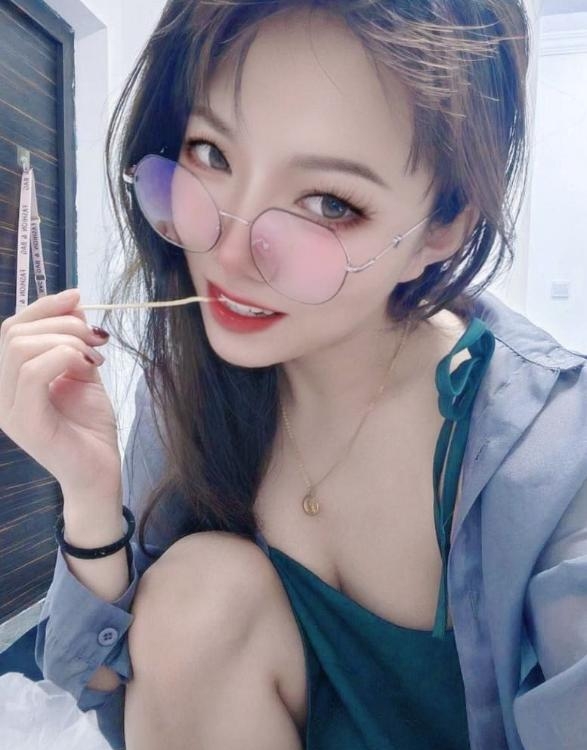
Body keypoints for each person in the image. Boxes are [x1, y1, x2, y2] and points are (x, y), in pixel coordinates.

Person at [0, 1, 585, 748]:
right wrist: (88, 495)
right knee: (198, 588)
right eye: (211, 154)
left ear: (439, 230)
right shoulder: (192, 388)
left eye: (328, 203)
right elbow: (106, 684)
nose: (230, 254)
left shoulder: (550, 453)